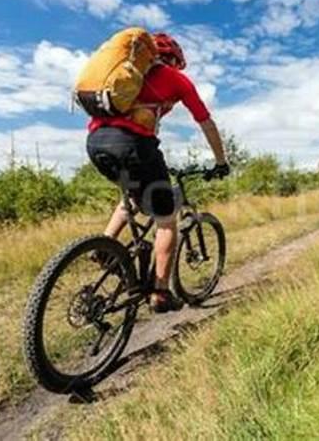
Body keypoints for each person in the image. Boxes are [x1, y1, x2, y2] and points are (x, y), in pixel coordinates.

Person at [86, 32, 230, 313]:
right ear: (174, 60)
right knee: (166, 220)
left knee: (132, 197)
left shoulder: (123, 73)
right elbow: (206, 122)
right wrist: (221, 160)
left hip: (96, 143)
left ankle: (104, 246)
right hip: (134, 146)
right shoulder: (175, 79)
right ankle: (161, 293)